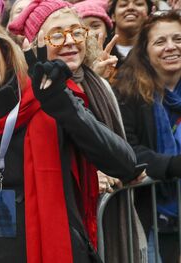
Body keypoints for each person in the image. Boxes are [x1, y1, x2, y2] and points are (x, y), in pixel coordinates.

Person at [0, 8, 136, 262]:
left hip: (61, 250)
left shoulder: (49, 95)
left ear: (4, 50)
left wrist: (64, 106)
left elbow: (125, 164)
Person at [114, 10, 181, 263]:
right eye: (160, 41)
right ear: (145, 49)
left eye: (178, 39)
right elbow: (127, 148)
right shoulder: (127, 91)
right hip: (150, 215)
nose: (171, 47)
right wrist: (172, 166)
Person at [107, 0, 152, 65]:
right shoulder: (101, 50)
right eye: (123, 5)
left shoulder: (156, 50)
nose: (130, 8)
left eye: (139, 4)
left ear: (149, 15)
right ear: (113, 16)